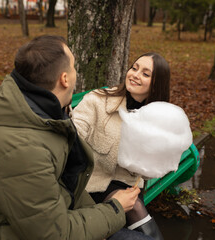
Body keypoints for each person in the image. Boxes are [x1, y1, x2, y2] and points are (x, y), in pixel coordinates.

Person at [0, 35, 150, 240]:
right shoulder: (21, 148)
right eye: (74, 66)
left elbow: (66, 190)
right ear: (64, 79)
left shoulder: (43, 117)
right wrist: (115, 209)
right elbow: (53, 234)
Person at [72, 53, 171, 239]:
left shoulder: (157, 119)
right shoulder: (98, 101)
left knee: (134, 206)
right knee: (135, 208)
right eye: (134, 68)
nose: (135, 74)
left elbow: (149, 173)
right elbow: (74, 135)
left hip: (128, 186)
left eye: (145, 74)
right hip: (92, 185)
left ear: (157, 84)